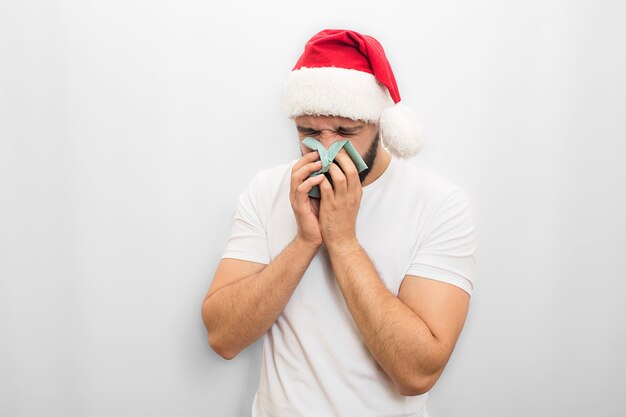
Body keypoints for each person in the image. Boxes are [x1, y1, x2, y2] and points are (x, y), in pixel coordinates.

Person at [201, 29, 477, 417]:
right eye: (309, 132)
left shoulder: (439, 205)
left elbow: (417, 373)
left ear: (382, 125)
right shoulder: (267, 190)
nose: (326, 150)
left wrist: (343, 241)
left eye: (346, 132)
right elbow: (222, 337)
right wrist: (304, 242)